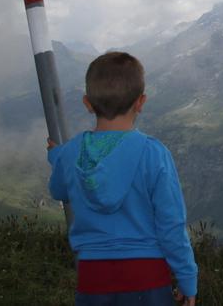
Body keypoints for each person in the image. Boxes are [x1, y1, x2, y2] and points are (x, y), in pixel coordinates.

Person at [47, 51, 198, 306]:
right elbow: (171, 224)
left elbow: (58, 190)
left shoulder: (71, 153)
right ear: (141, 102)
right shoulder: (154, 153)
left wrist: (57, 158)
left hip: (93, 279)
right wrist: (187, 278)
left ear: (87, 103)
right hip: (148, 278)